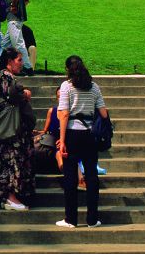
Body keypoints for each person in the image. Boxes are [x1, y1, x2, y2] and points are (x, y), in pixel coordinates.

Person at [56, 55, 108, 228]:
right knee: (92, 175)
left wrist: (61, 140)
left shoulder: (66, 86)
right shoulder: (94, 87)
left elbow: (63, 113)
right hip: (90, 134)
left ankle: (70, 218)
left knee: (70, 177)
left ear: (67, 69)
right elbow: (103, 113)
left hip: (72, 133)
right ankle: (92, 219)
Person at [0, 47, 35, 211]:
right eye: (19, 60)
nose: (21, 63)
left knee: (12, 160)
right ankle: (10, 197)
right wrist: (26, 94)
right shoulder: (5, 76)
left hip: (13, 128)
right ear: (9, 61)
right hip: (11, 129)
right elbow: (12, 96)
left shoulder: (6, 76)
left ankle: (12, 196)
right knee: (11, 160)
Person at [0, 0, 32, 75]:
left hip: (13, 20)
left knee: (18, 44)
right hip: (16, 19)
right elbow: (26, 0)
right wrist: (20, 9)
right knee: (4, 44)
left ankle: (28, 67)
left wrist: (13, 6)